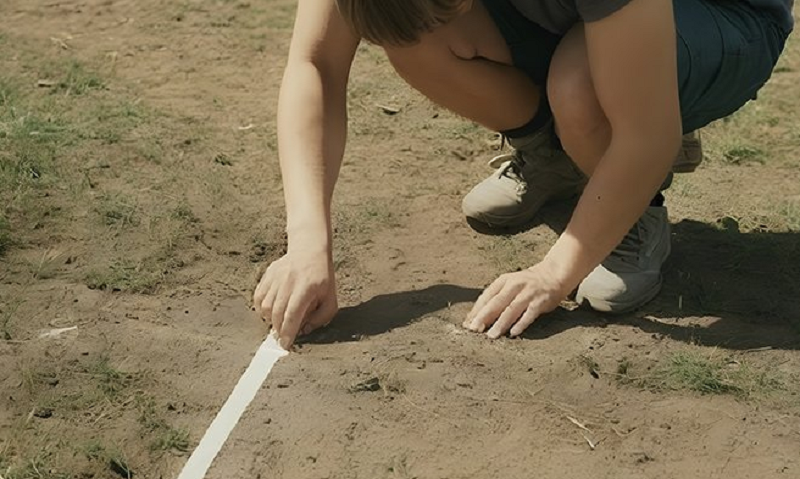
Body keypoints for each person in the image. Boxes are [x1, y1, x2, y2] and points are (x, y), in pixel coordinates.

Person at [253, 0, 793, 350]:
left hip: (726, 13)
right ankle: (560, 160)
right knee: (417, 39)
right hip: (608, 16)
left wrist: (553, 274)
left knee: (581, 89)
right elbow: (316, 65)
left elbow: (648, 137)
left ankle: (635, 215)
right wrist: (306, 243)